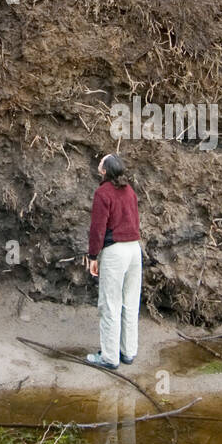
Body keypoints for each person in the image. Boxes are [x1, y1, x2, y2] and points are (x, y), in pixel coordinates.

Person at [85, 153, 142, 370]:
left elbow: (97, 229)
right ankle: (128, 351)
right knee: (130, 302)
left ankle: (109, 356)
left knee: (110, 304)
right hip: (134, 250)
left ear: (104, 171)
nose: (98, 164)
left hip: (115, 251)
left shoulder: (103, 193)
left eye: (100, 163)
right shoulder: (130, 191)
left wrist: (92, 256)